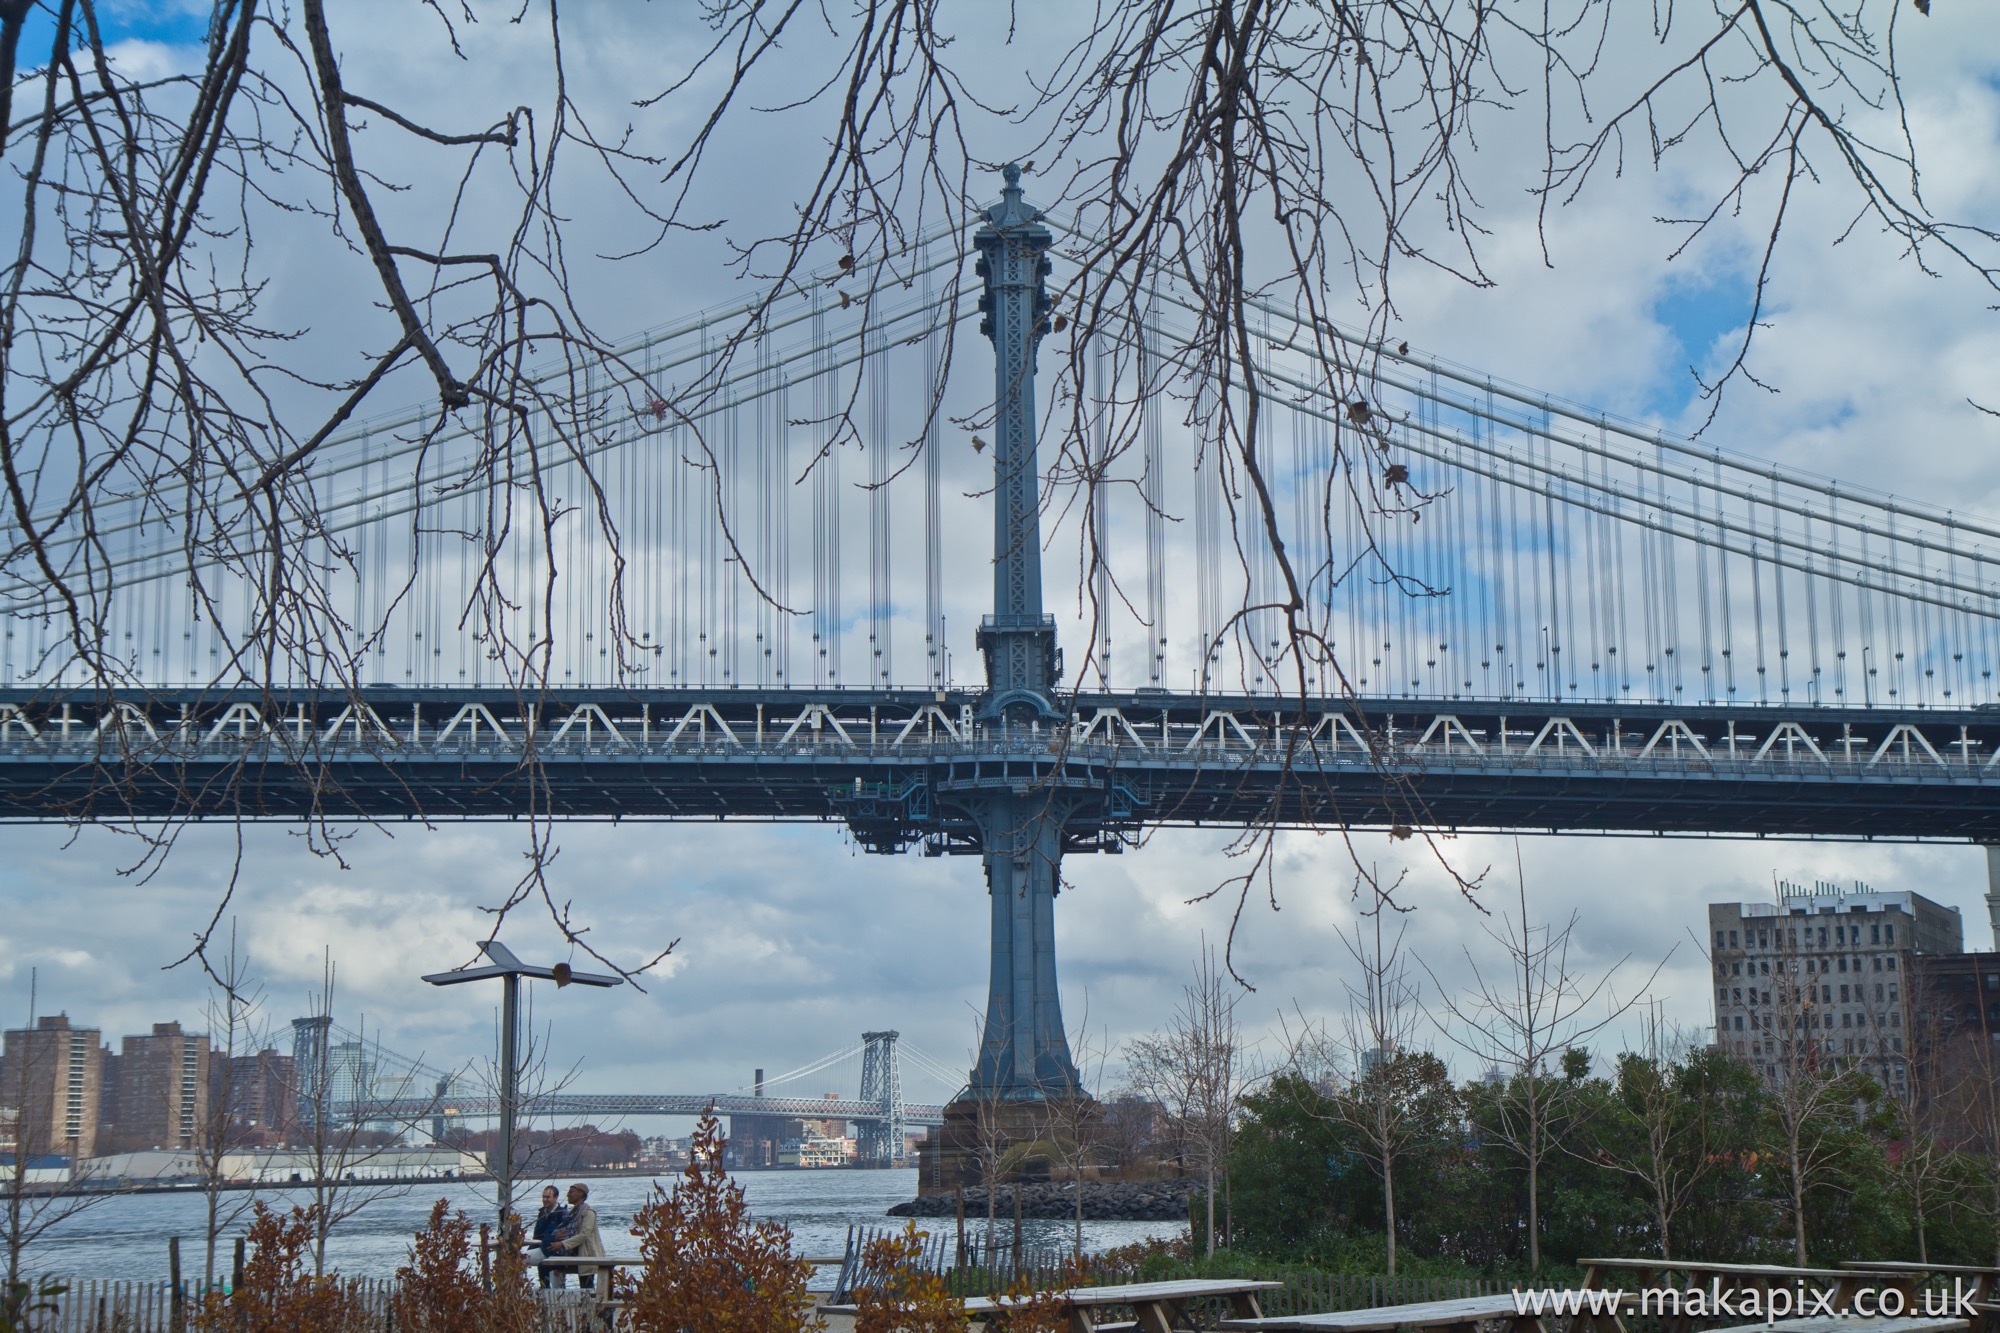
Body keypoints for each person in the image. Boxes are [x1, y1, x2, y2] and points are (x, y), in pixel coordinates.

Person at [552, 1181, 604, 1291]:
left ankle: (591, 1306)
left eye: (571, 1192)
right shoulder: (571, 1213)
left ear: (581, 1194)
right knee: (549, 1267)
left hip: (586, 1253)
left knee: (586, 1286)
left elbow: (584, 1235)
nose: (568, 1194)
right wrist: (557, 1236)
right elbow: (566, 1230)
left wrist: (562, 1244)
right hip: (572, 1254)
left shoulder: (588, 1212)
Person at [530, 1185, 570, 1289]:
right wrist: (531, 1248)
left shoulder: (562, 1214)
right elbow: (537, 1235)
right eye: (543, 1197)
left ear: (556, 1198)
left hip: (554, 1252)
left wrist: (559, 1259)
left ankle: (553, 1300)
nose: (544, 1200)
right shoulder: (542, 1212)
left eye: (548, 1197)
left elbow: (565, 1237)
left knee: (558, 1286)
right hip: (542, 1249)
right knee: (519, 1259)